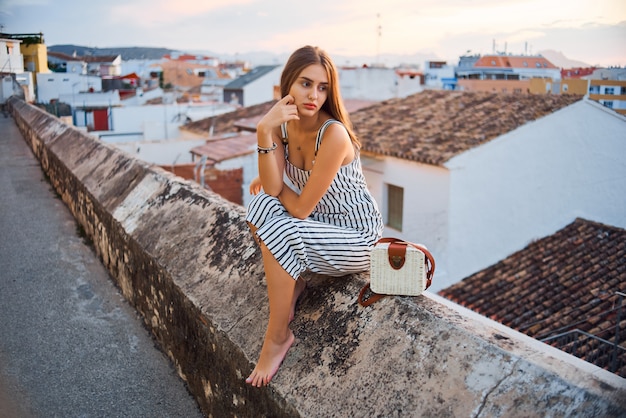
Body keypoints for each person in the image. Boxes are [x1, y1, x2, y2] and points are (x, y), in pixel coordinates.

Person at [245, 45, 383, 387]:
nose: (314, 95)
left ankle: (278, 337)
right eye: (306, 84)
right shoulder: (282, 126)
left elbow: (299, 206)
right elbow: (274, 189)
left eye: (323, 88)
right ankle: (297, 282)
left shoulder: (333, 134)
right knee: (259, 206)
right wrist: (264, 131)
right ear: (288, 85)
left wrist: (272, 182)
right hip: (320, 227)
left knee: (277, 217)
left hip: (357, 236)